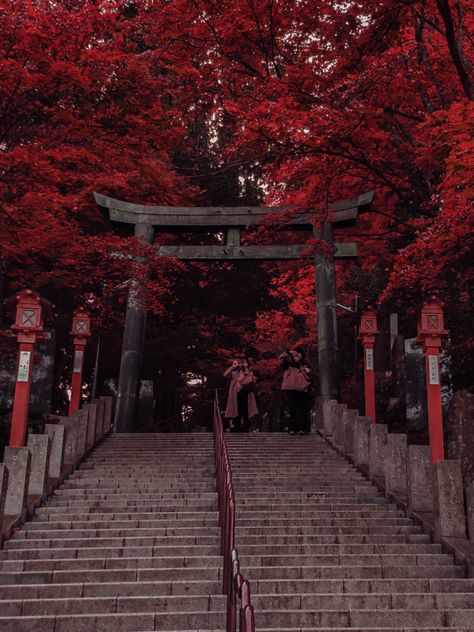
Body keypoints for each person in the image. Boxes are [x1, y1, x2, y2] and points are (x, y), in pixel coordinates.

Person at [279, 346, 313, 435]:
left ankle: (302, 428)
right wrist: (288, 352)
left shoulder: (305, 365)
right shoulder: (288, 364)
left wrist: (305, 370)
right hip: (290, 389)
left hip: (302, 389)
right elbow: (281, 360)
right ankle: (291, 429)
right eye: (295, 355)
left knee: (302, 409)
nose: (296, 356)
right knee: (292, 409)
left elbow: (311, 377)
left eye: (298, 354)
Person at [224, 354, 258, 432]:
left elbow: (250, 379)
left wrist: (245, 369)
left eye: (243, 361)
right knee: (236, 410)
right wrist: (233, 367)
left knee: (245, 410)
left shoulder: (248, 371)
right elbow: (225, 375)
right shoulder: (235, 372)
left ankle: (245, 427)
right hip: (236, 393)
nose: (241, 363)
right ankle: (237, 427)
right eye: (240, 361)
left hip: (246, 392)